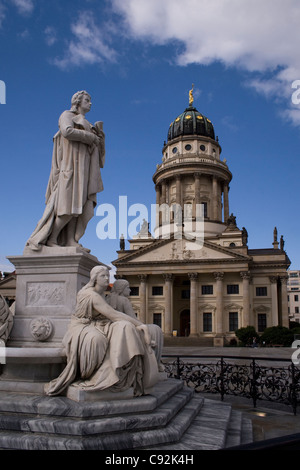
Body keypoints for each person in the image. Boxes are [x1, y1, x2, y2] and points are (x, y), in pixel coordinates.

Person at [44, 266, 159, 397]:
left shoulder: (103, 295)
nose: (106, 279)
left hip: (100, 325)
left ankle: (122, 374)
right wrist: (141, 325)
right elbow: (113, 314)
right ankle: (102, 376)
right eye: (103, 276)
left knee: (125, 327)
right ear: (94, 278)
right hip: (82, 327)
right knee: (97, 339)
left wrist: (136, 326)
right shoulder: (90, 294)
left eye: (107, 276)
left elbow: (112, 316)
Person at [26, 91, 105, 252]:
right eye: (87, 100)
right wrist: (90, 137)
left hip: (84, 170)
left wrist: (100, 137)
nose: (90, 103)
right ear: (77, 101)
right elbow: (67, 131)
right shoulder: (67, 115)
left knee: (80, 207)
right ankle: (52, 238)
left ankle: (70, 239)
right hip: (71, 168)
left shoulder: (89, 124)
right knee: (68, 206)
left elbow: (99, 156)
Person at [107, 279, 164, 372]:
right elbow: (133, 319)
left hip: (113, 329)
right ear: (122, 289)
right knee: (155, 329)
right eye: (128, 288)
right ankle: (155, 364)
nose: (130, 290)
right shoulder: (124, 300)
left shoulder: (107, 299)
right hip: (126, 329)